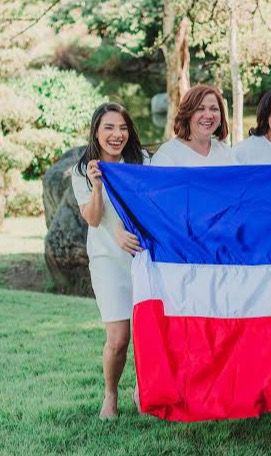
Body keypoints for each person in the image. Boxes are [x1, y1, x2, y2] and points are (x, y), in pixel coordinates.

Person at [71, 103, 147, 419]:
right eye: (109, 128)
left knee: (146, 332)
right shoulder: (83, 170)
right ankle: (110, 394)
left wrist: (125, 228)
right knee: (118, 339)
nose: (117, 135)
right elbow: (91, 218)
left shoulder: (141, 162)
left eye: (122, 128)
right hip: (106, 260)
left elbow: (148, 205)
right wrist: (98, 185)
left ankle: (144, 390)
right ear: (96, 132)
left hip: (142, 258)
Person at [151, 84, 234, 167]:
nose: (208, 115)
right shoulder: (166, 156)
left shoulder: (226, 152)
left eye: (214, 109)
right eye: (200, 109)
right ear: (187, 114)